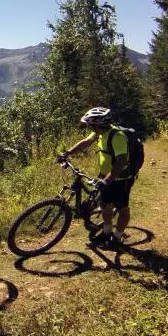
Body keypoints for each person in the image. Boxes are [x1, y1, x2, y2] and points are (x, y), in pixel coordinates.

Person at [59, 106, 133, 250]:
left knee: (122, 208)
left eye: (90, 124)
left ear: (99, 125)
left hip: (121, 178)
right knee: (105, 204)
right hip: (106, 175)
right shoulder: (99, 132)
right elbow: (86, 142)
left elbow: (122, 161)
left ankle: (117, 237)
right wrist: (68, 153)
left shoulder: (117, 137)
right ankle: (107, 232)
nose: (88, 126)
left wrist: (107, 180)